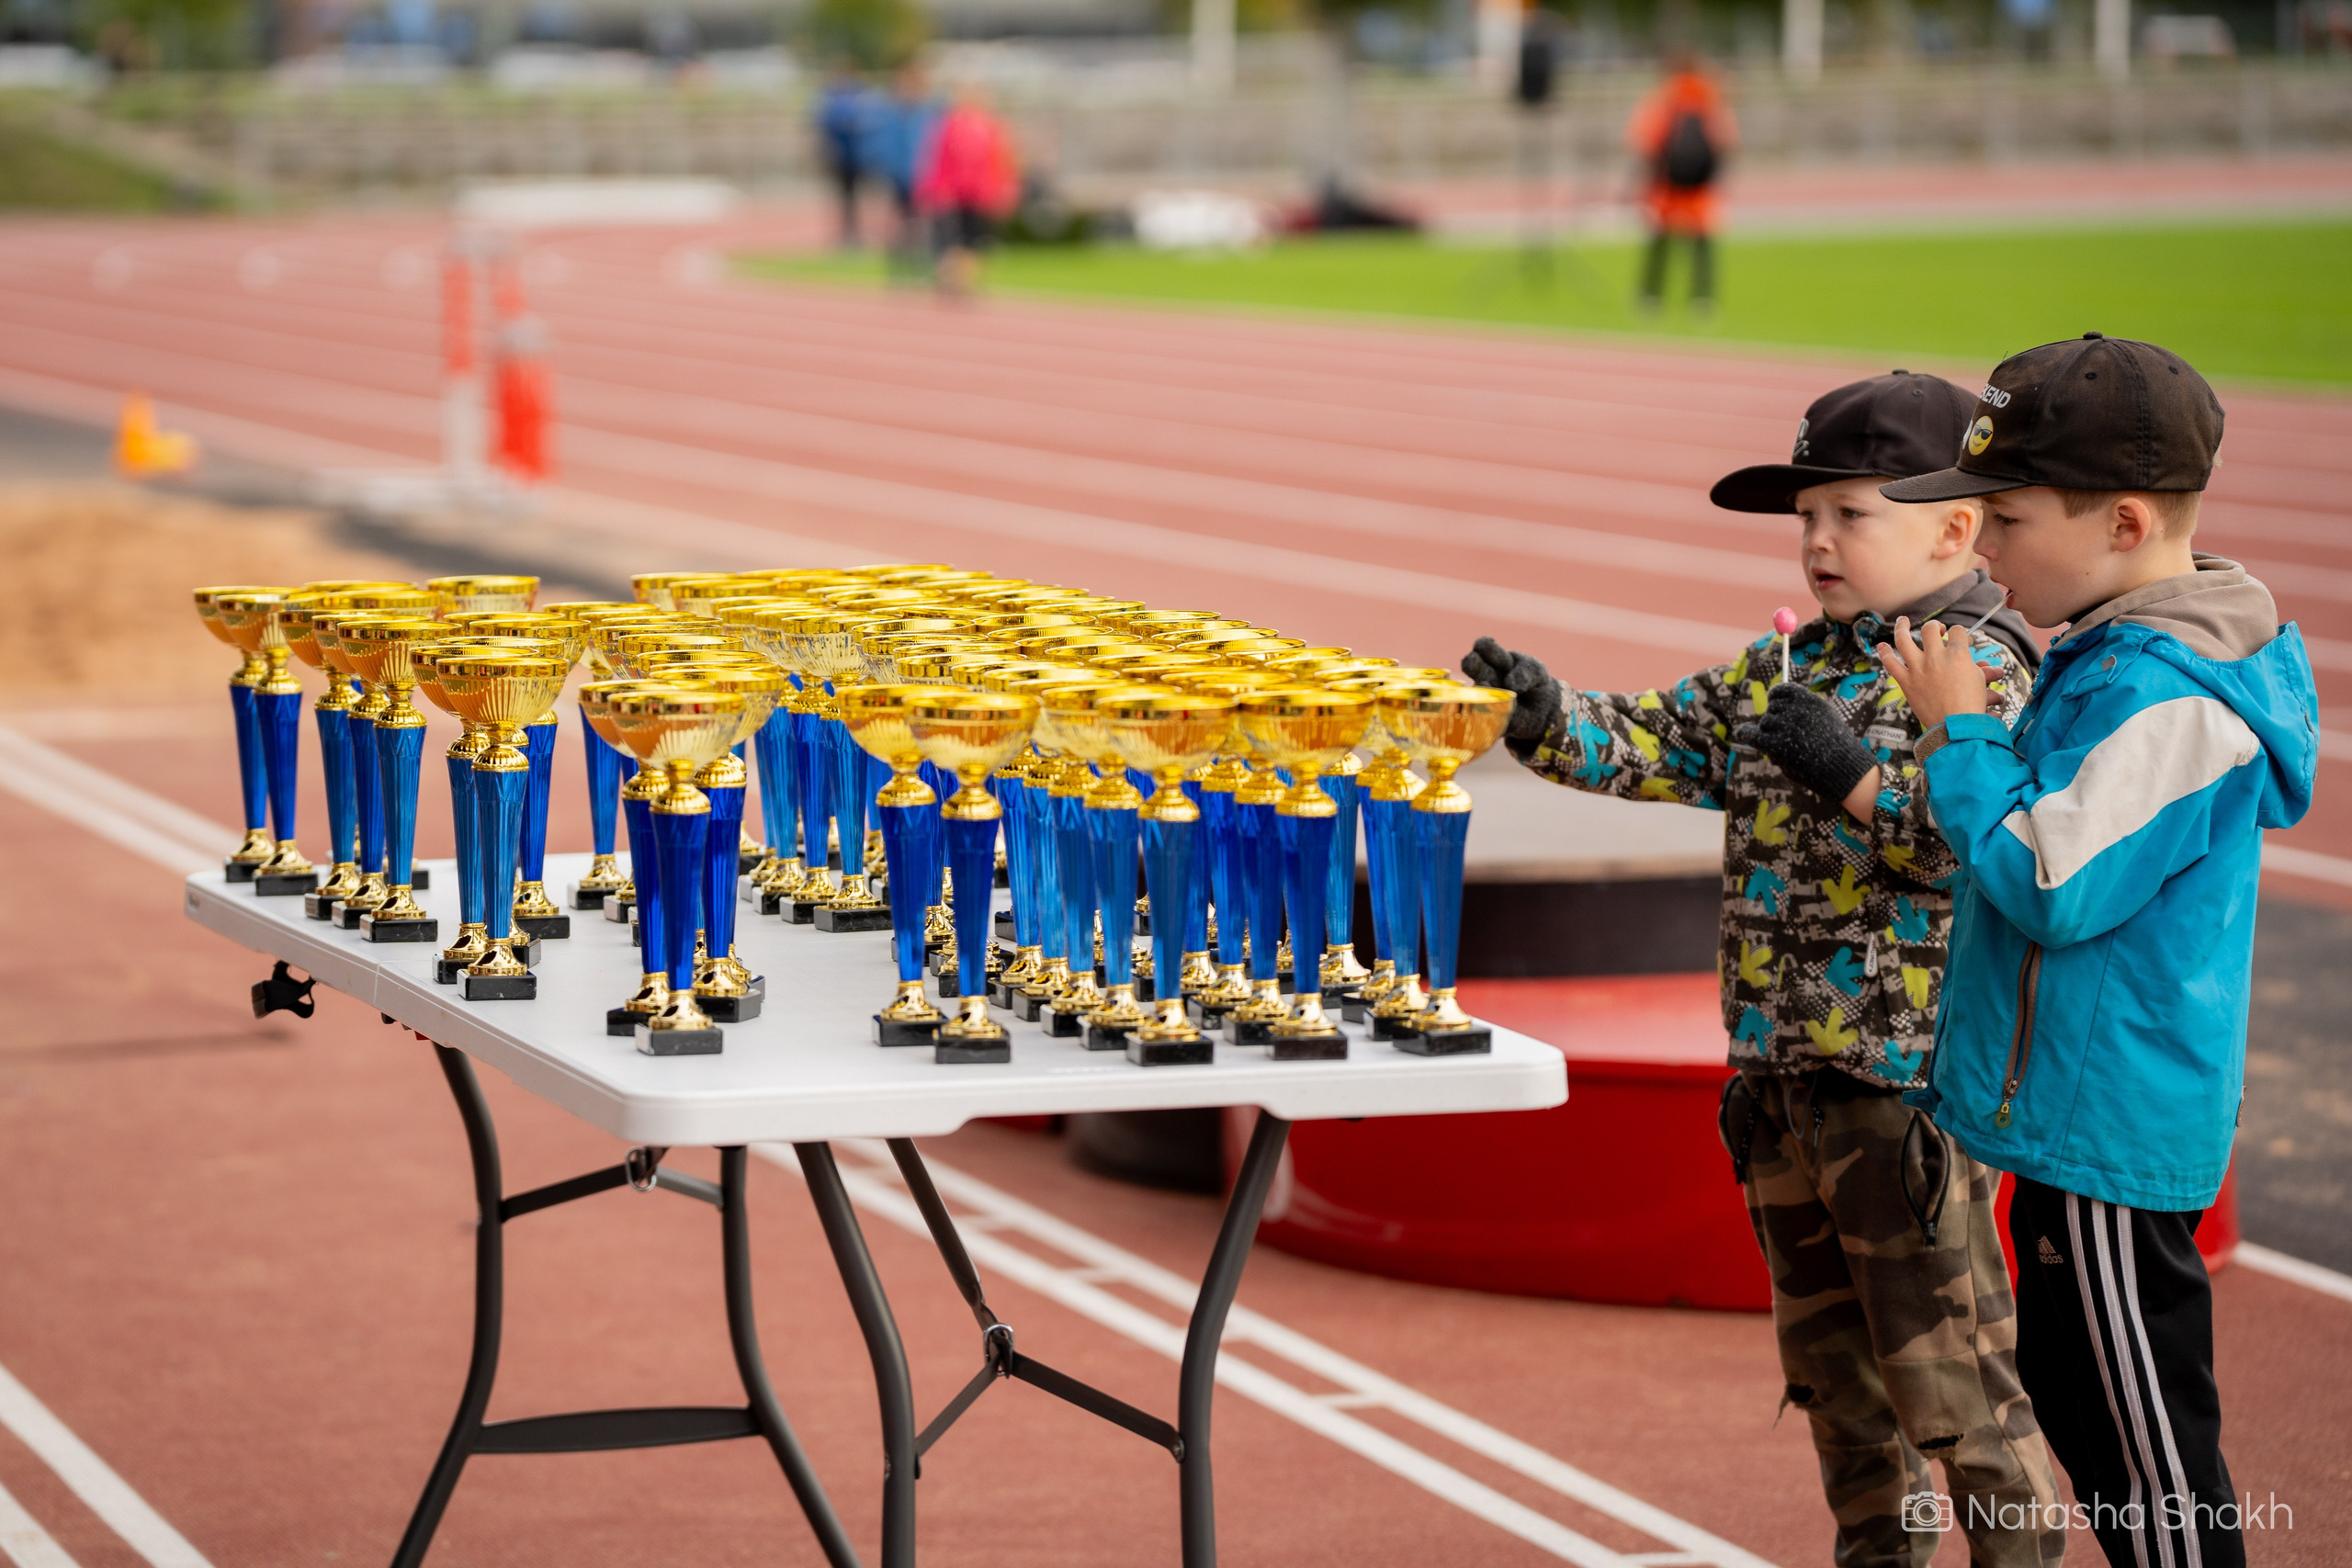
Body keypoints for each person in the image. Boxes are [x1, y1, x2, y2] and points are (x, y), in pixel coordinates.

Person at [1465, 371, 2064, 1568]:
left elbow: (1980, 850)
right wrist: (1537, 712)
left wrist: (1849, 769)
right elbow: (1645, 741)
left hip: (1900, 1092)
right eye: (1806, 519)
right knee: (1835, 1379)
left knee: (1951, 1385)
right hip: (1783, 1079)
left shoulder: (1981, 674)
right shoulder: (1785, 666)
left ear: (1954, 524)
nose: (1819, 541)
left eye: (1851, 512)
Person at [1876, 333, 2317, 1568]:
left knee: (2147, 1443)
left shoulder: (2176, 696)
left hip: (2111, 1133)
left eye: (2004, 517)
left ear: (2124, 522)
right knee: (2084, 1401)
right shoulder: (2112, 648)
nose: (1985, 547)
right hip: (2072, 1115)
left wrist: (1960, 736)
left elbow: (2052, 877)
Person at [1623, 49, 1735, 313]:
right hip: (1701, 186)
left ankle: (1650, 296)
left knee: (1660, 241)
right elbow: (1726, 140)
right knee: (1702, 242)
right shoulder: (1710, 96)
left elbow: (1645, 140)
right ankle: (1703, 298)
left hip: (1666, 185)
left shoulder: (1662, 97)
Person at [915, 82, 1019, 299]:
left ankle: (961, 282)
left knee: (973, 240)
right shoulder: (949, 125)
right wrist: (933, 189)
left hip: (978, 194)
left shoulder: (990, 127)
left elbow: (1001, 162)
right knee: (953, 239)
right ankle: (952, 280)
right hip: (953, 193)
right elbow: (938, 159)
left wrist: (1003, 191)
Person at [868, 60, 945, 275]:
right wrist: (885, 167)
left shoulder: (931, 110)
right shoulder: (891, 112)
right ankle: (899, 262)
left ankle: (922, 262)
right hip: (899, 175)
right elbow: (882, 143)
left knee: (925, 221)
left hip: (926, 176)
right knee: (902, 220)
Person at [813, 62, 875, 249]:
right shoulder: (832, 98)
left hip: (855, 156)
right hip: (840, 156)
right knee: (844, 197)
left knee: (853, 197)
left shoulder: (857, 98)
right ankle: (846, 233)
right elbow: (823, 125)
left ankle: (853, 233)